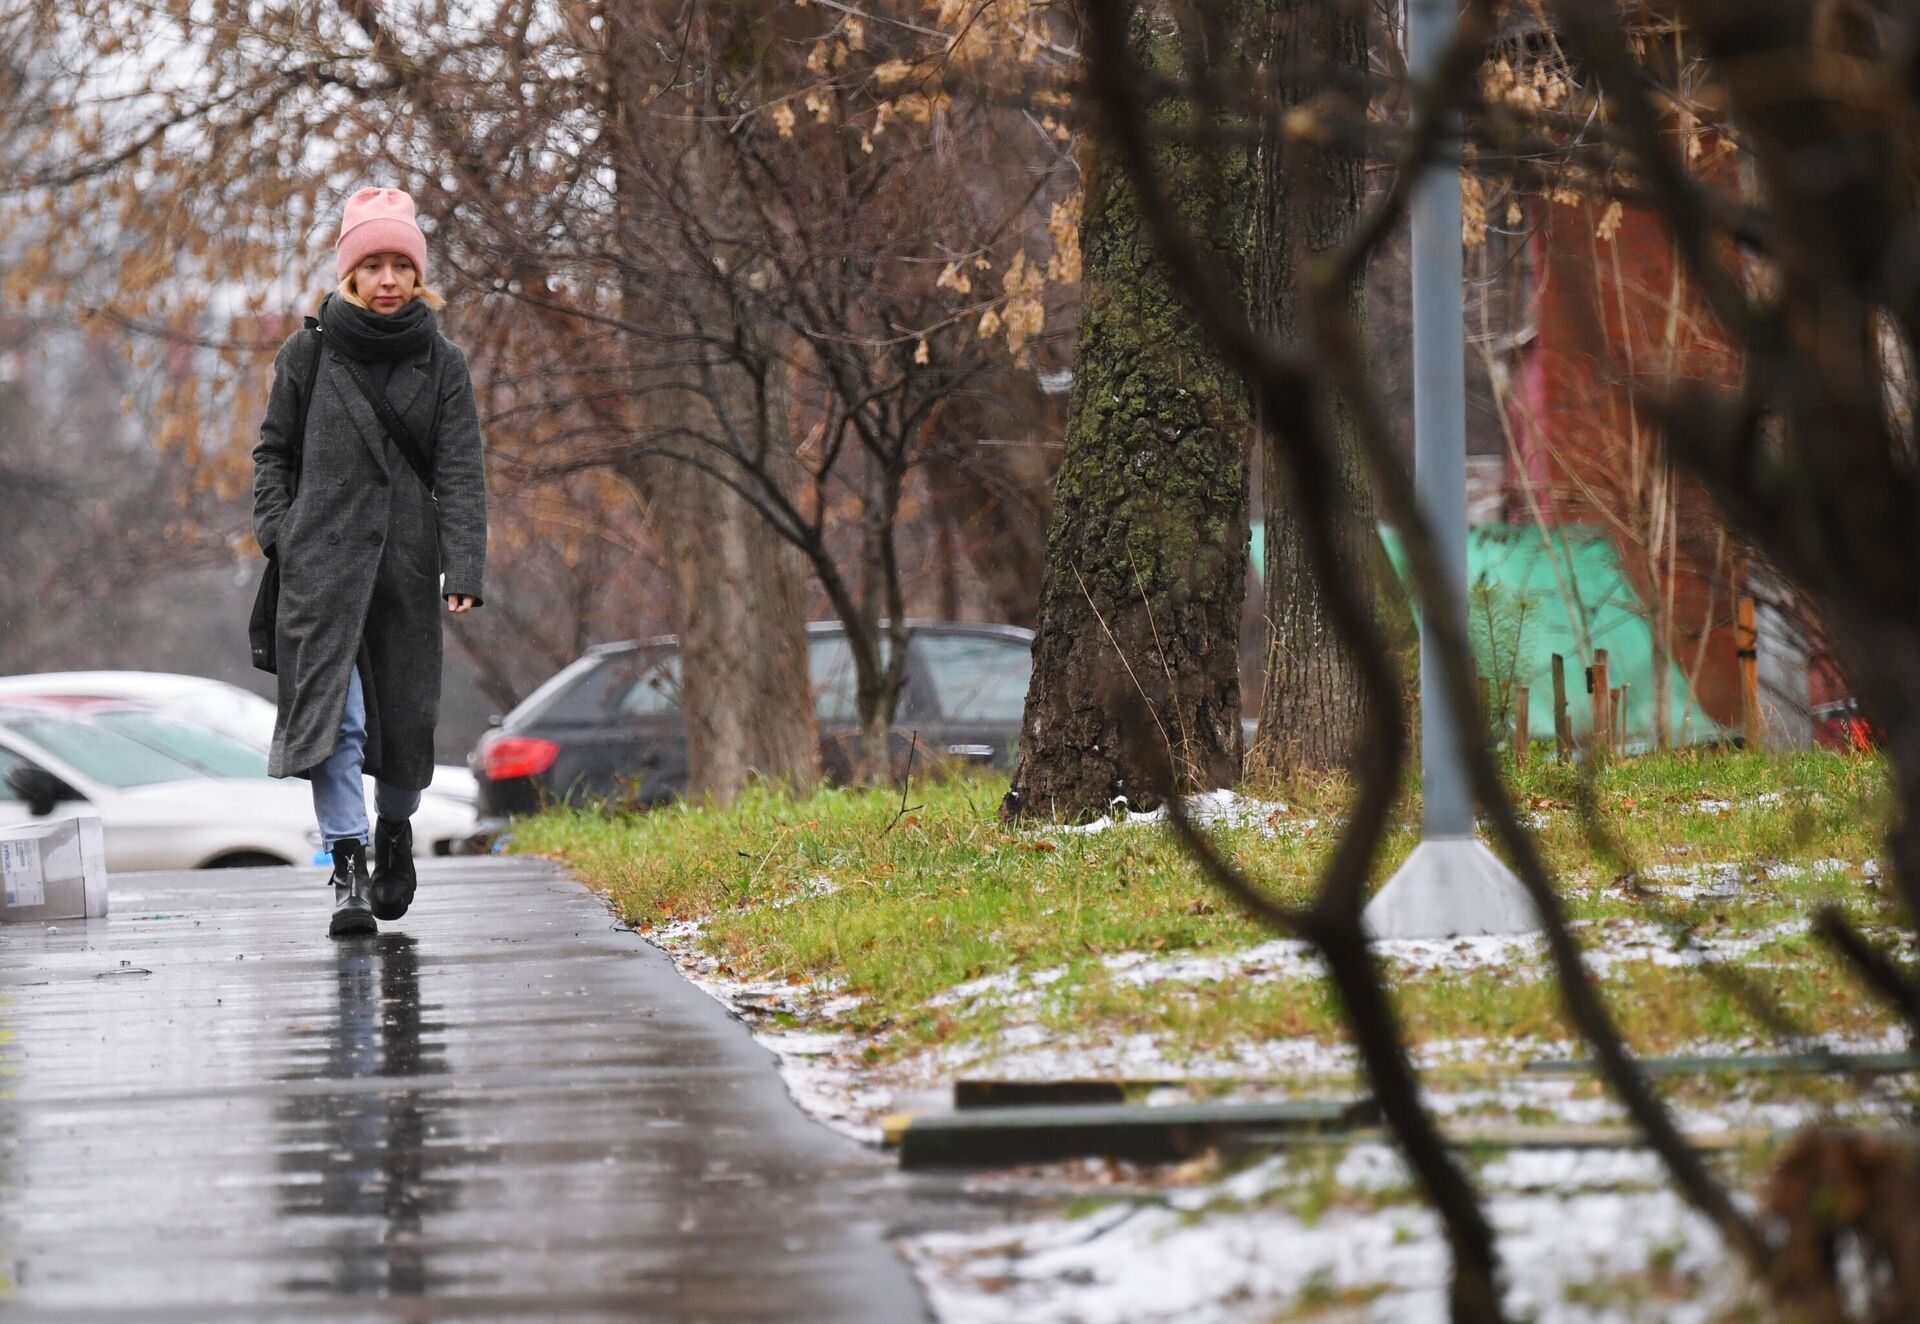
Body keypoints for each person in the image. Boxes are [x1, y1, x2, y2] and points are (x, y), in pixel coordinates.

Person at [252, 186, 488, 938]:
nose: (387, 279)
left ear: (418, 275)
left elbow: (460, 470)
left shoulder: (442, 362)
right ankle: (347, 866)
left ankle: (394, 831)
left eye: (400, 265)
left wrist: (464, 569)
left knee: (407, 729)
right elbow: (272, 454)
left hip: (406, 570)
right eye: (373, 265)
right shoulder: (308, 352)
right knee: (338, 723)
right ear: (350, 273)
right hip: (318, 572)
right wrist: (280, 533)